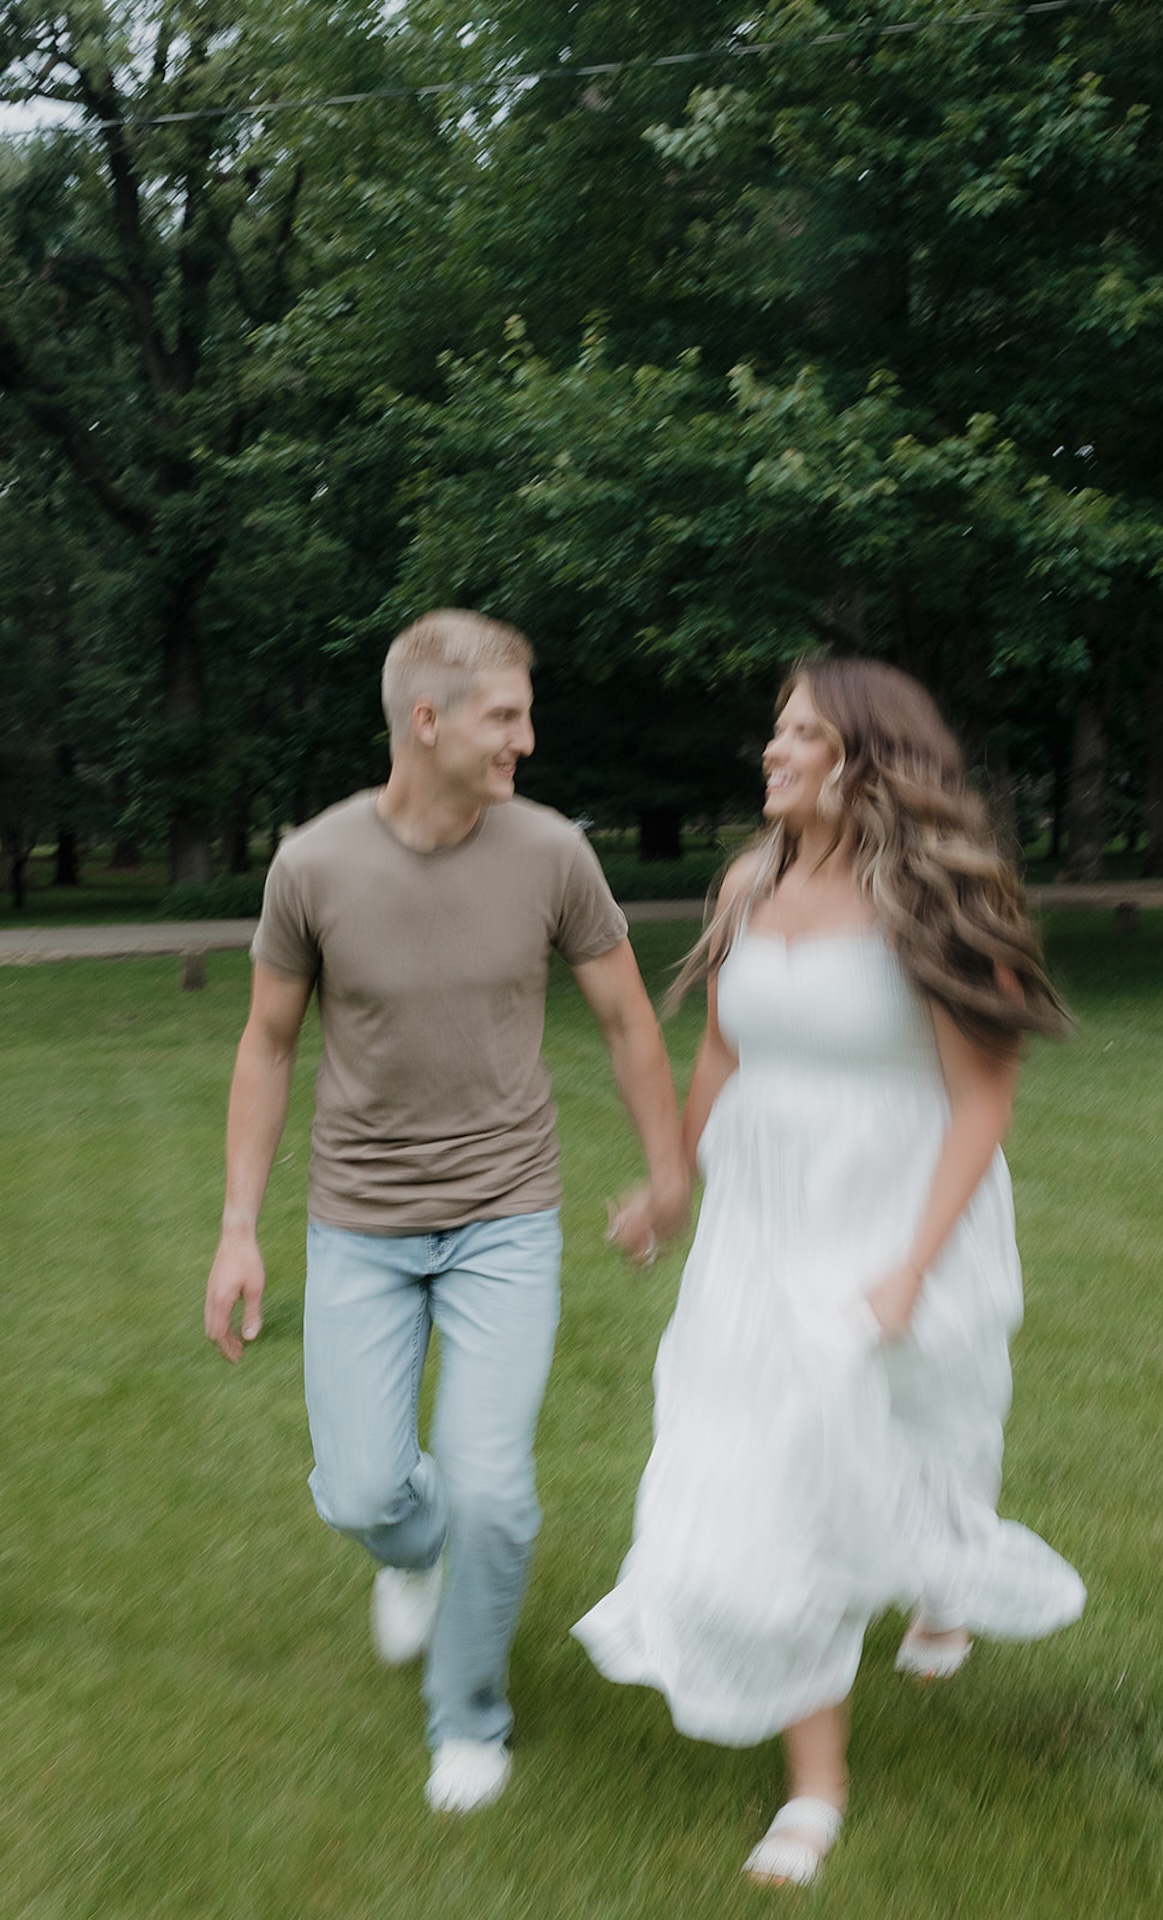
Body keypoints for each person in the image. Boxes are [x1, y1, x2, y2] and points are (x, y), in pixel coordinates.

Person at [573, 656, 1086, 1888]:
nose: (770, 749)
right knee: (764, 1469)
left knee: (917, 1420)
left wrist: (912, 1268)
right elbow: (723, 1050)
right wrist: (671, 1182)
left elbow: (981, 1100)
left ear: (863, 756)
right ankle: (816, 1785)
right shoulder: (753, 878)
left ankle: (926, 1582)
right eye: (774, 728)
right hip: (763, 1222)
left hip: (896, 1204)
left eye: (797, 731)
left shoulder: (936, 898)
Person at [204, 608, 689, 1816]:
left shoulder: (550, 855)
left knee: (497, 1492)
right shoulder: (312, 864)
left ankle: (468, 1716)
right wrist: (234, 1227)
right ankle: (411, 1557)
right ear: (426, 722)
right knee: (367, 1492)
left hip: (505, 1217)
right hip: (359, 1222)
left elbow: (628, 1022)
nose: (526, 738)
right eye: (505, 717)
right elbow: (266, 1047)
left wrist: (666, 1170)